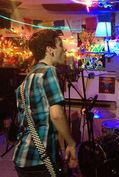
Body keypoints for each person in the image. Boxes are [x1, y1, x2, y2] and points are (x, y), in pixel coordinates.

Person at [12, 29, 78, 177]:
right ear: (50, 50)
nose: (64, 49)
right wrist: (71, 144)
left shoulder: (28, 78)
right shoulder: (49, 71)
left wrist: (61, 149)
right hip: (39, 159)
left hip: (23, 155)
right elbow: (56, 115)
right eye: (60, 45)